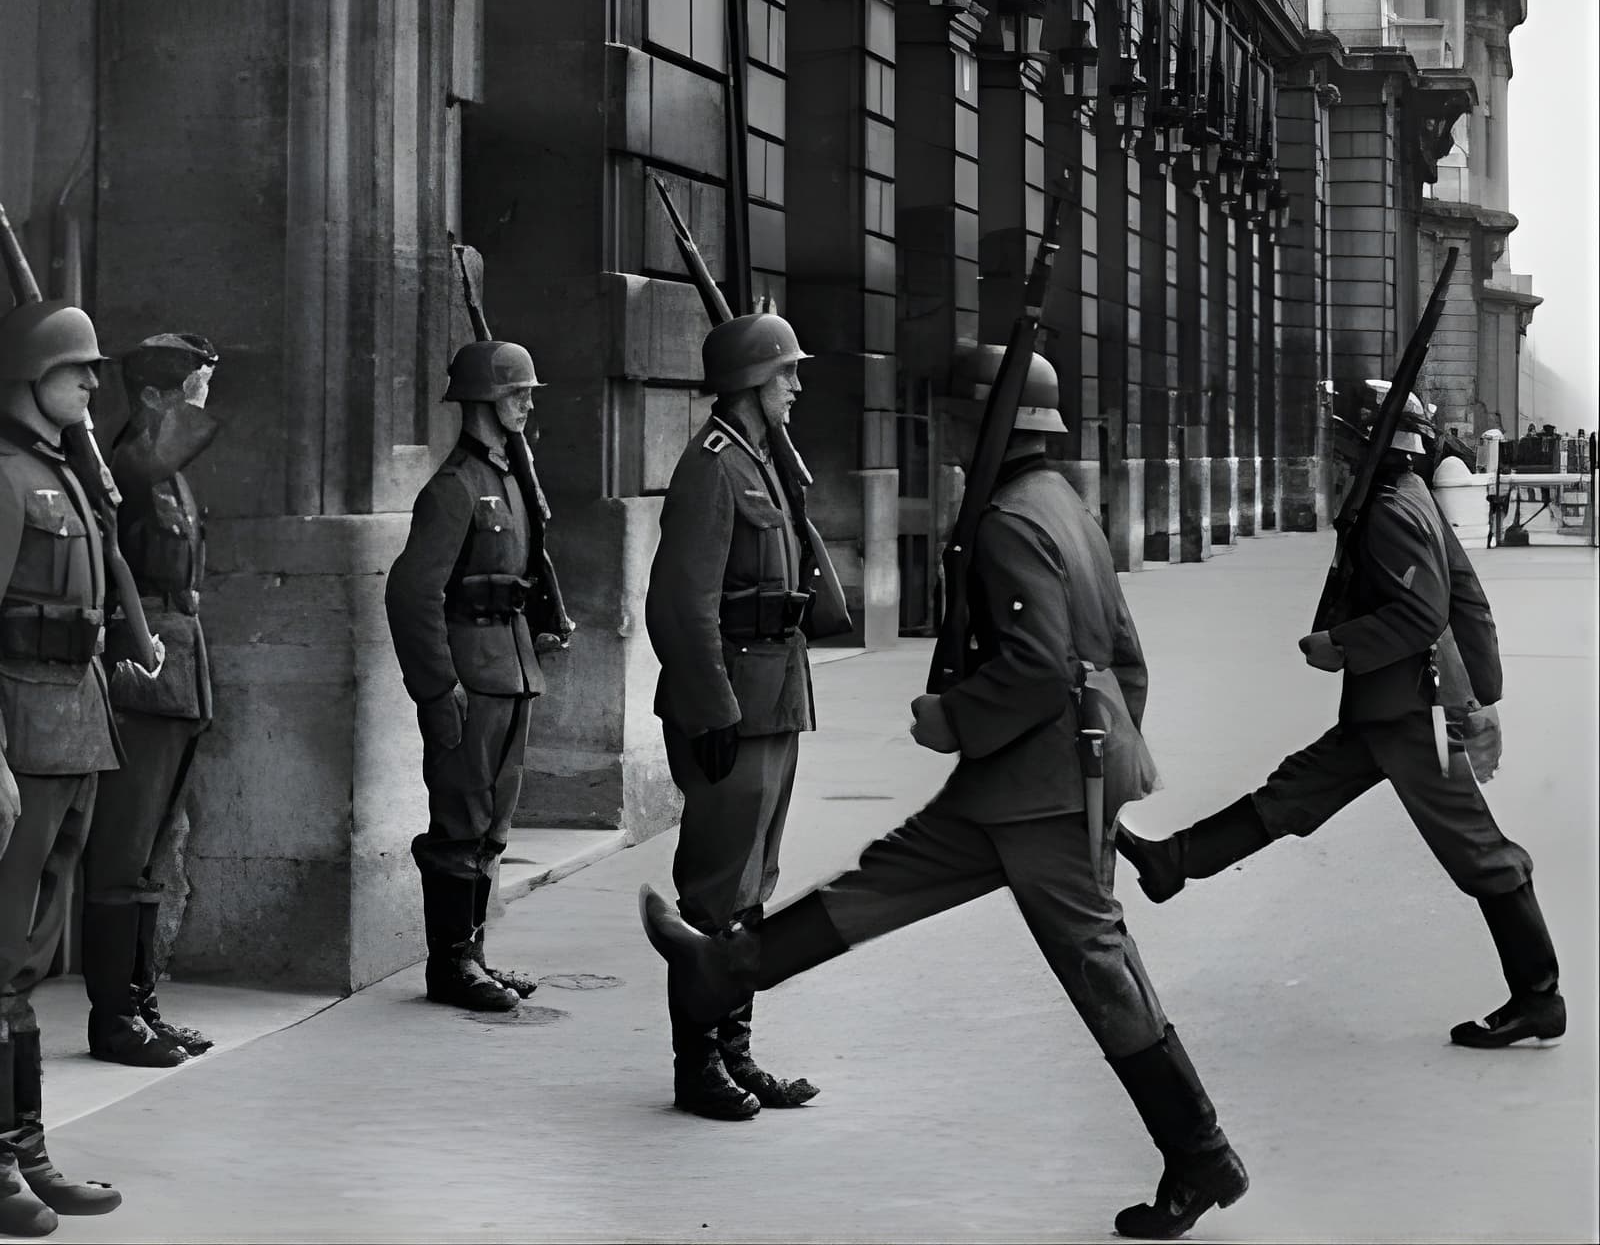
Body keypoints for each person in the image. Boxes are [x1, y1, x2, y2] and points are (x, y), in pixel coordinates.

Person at [642, 347, 1251, 1241]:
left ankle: (1200, 1154)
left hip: (1031, 791)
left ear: (986, 425)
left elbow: (1041, 668)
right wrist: (1108, 767)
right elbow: (1126, 656)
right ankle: (722, 967)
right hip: (1033, 782)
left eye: (960, 421)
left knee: (1097, 965)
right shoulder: (1064, 507)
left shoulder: (1009, 520)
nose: (952, 436)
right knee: (882, 882)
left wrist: (952, 717)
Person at [1116, 392, 1564, 1051]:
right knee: (1293, 793)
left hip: (1410, 715)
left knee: (1479, 851)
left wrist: (1341, 646)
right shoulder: (1408, 495)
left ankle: (1539, 996)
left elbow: (1423, 613)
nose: (1339, 452)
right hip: (1389, 712)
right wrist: (1483, 695)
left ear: (1369, 444)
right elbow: (1469, 596)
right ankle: (1173, 862)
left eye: (1347, 442)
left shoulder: (1391, 510)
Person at [0, 301, 158, 1230]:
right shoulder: (9, 478)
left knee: (22, 966)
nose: (96, 383)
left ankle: (25, 1151)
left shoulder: (64, 473)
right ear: (29, 376)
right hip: (22, 734)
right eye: (79, 369)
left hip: (74, 731)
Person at [644, 310, 820, 1121]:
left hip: (773, 696)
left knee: (753, 889)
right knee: (716, 890)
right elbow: (682, 603)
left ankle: (736, 1052)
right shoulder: (712, 467)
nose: (794, 383)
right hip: (731, 707)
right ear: (751, 380)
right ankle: (697, 1067)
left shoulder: (761, 460)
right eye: (783, 372)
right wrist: (709, 706)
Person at [385, 341, 549, 1013]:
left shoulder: (509, 478)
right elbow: (411, 593)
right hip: (470, 678)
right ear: (482, 399)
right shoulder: (454, 488)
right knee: (459, 823)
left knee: (493, 826)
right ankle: (450, 965)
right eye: (517, 393)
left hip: (511, 670)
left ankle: (474, 952)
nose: (528, 403)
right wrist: (436, 688)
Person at [79, 333, 222, 1069]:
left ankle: (142, 1005)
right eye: (191, 390)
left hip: (178, 670)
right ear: (153, 398)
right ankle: (114, 1020)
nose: (203, 404)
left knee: (151, 857)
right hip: (143, 675)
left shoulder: (164, 473)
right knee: (122, 854)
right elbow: (140, 466)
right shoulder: (129, 466)